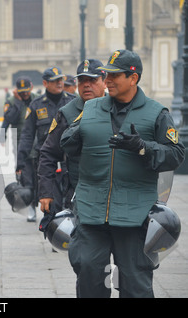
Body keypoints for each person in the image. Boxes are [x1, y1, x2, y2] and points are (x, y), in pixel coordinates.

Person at [60, 49, 185, 298]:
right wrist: (78, 132)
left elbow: (176, 154)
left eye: (115, 76)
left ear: (133, 77)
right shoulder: (92, 108)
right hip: (90, 210)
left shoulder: (156, 113)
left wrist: (143, 148)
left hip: (134, 214)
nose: (107, 81)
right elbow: (66, 143)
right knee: (88, 272)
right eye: (107, 75)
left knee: (135, 284)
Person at [38, 59, 106, 217]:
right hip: (79, 193)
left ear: (105, 81)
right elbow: (48, 153)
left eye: (93, 80)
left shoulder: (118, 107)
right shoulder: (67, 113)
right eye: (82, 80)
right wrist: (46, 192)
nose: (87, 85)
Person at [16, 68, 75, 222]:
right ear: (45, 83)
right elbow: (27, 135)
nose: (59, 83)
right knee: (51, 204)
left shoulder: (73, 102)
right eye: (55, 80)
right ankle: (55, 239)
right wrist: (20, 161)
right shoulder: (36, 105)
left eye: (60, 80)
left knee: (70, 203)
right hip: (46, 162)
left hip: (70, 161)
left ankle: (68, 239)